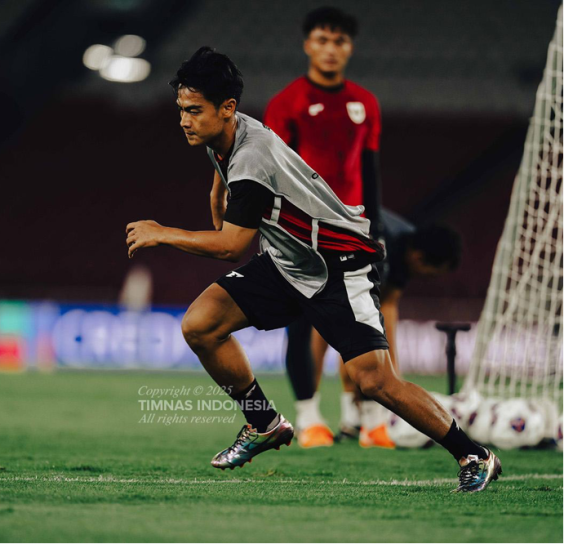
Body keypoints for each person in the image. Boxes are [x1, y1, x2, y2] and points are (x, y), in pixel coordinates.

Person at [126, 46, 501, 492]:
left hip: (337, 266)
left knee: (375, 381)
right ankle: (264, 423)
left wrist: (162, 232)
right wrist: (216, 191)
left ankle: (474, 454)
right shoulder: (226, 135)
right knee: (201, 325)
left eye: (194, 111)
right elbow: (226, 184)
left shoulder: (252, 158)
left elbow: (230, 247)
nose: (184, 120)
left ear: (227, 108)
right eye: (181, 110)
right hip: (289, 261)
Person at [263, 6, 385, 448]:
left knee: (361, 319)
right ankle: (309, 417)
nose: (330, 49)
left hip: (351, 229)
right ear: (307, 45)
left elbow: (369, 170)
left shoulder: (366, 103)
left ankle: (366, 418)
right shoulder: (287, 102)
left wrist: (375, 228)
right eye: (322, 40)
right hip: (301, 229)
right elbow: (273, 170)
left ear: (350, 48)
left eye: (339, 41)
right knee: (301, 320)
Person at [333, 212, 463, 445]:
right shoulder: (381, 246)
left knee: (367, 348)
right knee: (348, 337)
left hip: (352, 280)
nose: (428, 279)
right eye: (432, 273)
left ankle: (360, 422)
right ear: (419, 258)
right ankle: (338, 419)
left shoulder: (404, 256)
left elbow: (387, 307)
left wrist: (392, 372)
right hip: (326, 265)